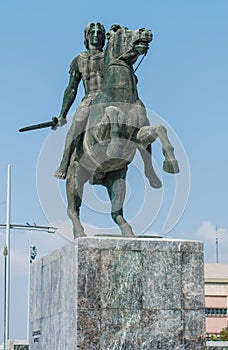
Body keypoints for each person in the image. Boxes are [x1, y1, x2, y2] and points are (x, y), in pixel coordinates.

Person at [54, 22, 106, 179]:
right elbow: (71, 89)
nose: (96, 35)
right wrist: (62, 114)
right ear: (87, 36)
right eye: (92, 32)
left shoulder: (110, 56)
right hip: (89, 99)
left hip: (107, 99)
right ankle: (64, 162)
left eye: (99, 32)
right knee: (77, 123)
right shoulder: (79, 60)